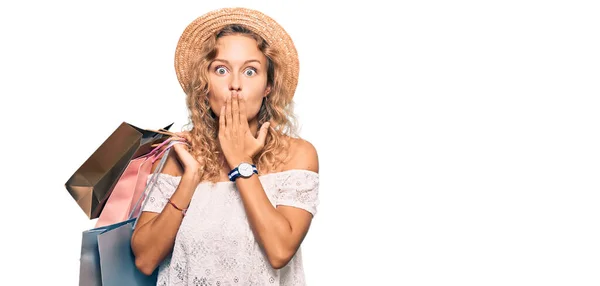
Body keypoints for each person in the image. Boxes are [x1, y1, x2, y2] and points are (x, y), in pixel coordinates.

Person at [130, 7, 320, 286]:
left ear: (268, 85)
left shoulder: (297, 155)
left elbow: (280, 252)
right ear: (204, 84)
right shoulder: (180, 155)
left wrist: (240, 162)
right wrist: (190, 178)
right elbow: (145, 260)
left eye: (250, 71)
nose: (234, 85)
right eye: (221, 70)